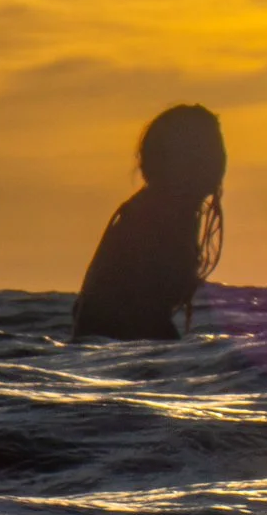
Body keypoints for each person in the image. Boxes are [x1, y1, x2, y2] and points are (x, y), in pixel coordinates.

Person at [71, 104, 226, 340]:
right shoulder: (157, 221)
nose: (218, 162)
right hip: (117, 349)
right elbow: (141, 312)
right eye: (210, 152)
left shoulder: (151, 213)